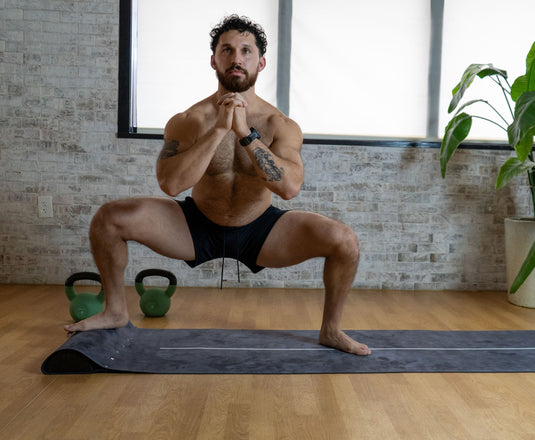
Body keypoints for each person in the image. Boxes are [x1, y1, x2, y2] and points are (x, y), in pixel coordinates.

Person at [63, 15, 370, 356]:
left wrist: (245, 134)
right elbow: (171, 184)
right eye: (227, 50)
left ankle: (331, 330)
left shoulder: (279, 124)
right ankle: (116, 310)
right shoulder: (189, 120)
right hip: (195, 224)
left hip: (261, 228)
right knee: (109, 218)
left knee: (344, 240)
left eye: (246, 51)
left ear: (260, 62)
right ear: (214, 59)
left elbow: (289, 189)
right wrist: (220, 129)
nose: (236, 58)